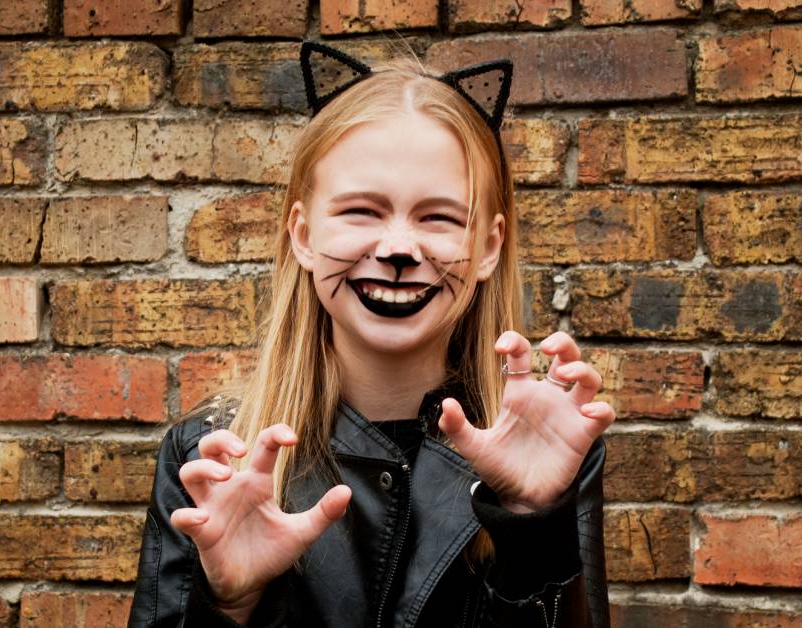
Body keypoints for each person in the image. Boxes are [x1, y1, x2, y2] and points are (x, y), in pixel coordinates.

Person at [128, 41, 615, 628]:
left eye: (438, 218)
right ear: (303, 235)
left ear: (488, 246)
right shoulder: (210, 457)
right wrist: (228, 608)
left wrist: (532, 523)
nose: (398, 250)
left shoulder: (546, 454)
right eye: (361, 211)